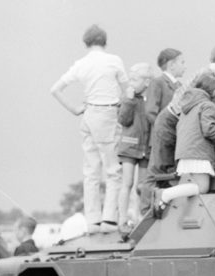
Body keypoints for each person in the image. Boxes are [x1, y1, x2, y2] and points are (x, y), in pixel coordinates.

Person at [50, 24, 127, 233]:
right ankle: (109, 218)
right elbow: (126, 90)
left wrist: (74, 109)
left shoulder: (81, 64)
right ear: (105, 41)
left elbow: (55, 89)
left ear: (86, 43)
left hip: (88, 114)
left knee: (91, 170)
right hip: (107, 113)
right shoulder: (114, 61)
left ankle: (92, 219)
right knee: (113, 170)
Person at [174, 71, 215, 194]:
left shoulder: (189, 106)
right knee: (202, 187)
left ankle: (167, 195)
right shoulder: (208, 105)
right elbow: (209, 129)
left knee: (188, 189)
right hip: (198, 153)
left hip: (185, 152)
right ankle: (166, 194)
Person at [117, 63, 157, 231]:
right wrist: (129, 100)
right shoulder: (128, 98)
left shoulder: (150, 100)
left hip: (145, 147)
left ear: (146, 82)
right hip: (129, 145)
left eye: (135, 79)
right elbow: (123, 119)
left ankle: (140, 216)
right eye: (130, 79)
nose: (132, 83)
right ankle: (122, 219)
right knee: (127, 182)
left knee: (142, 185)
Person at [146, 48, 186, 129]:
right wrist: (164, 128)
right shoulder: (157, 83)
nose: (185, 67)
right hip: (161, 136)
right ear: (171, 65)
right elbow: (150, 112)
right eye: (182, 63)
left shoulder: (180, 85)